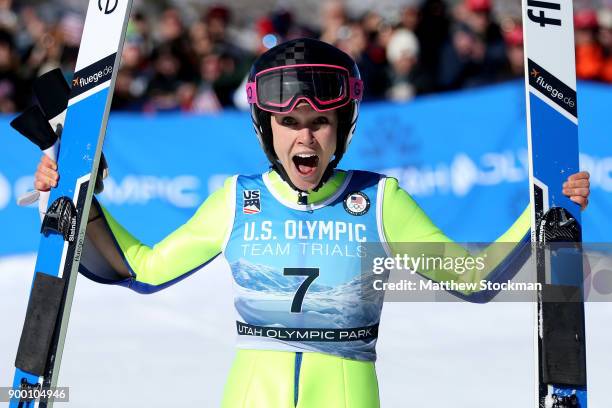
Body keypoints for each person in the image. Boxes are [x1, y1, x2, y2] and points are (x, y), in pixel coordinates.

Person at [34, 38, 591, 407]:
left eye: (321, 121)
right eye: (290, 122)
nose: (305, 137)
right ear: (265, 129)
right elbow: (140, 268)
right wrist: (79, 202)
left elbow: (474, 279)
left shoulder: (379, 199)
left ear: (344, 127)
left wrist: (544, 213)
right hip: (251, 392)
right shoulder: (238, 198)